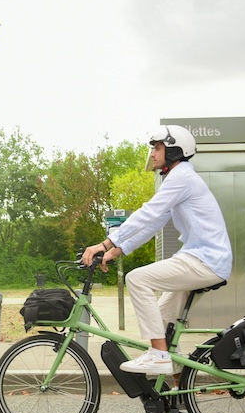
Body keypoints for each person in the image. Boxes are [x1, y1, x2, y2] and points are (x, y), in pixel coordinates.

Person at [81, 125, 233, 375]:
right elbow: (155, 222)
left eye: (158, 147)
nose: (152, 153)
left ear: (173, 151)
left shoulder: (181, 177)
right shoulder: (179, 178)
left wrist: (106, 243)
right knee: (162, 320)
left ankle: (159, 356)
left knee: (136, 278)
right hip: (200, 258)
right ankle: (178, 394)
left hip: (205, 260)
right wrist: (117, 249)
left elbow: (148, 213)